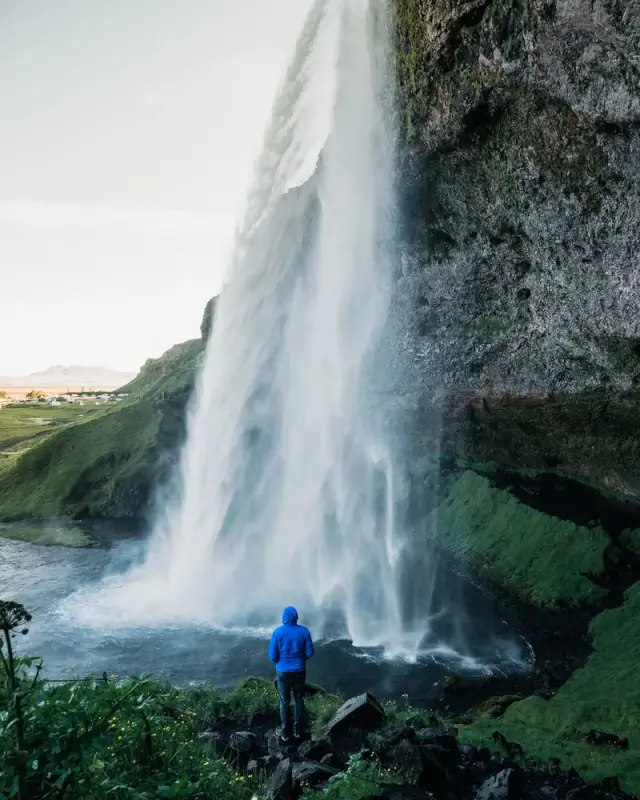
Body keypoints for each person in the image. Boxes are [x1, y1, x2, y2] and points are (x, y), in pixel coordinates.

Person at [268, 606, 314, 742]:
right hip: (299, 671)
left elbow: (272, 656)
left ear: (284, 618)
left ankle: (286, 732)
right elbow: (310, 652)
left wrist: (282, 662)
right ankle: (299, 730)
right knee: (299, 699)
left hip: (282, 672)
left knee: (284, 701)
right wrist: (300, 659)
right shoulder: (304, 631)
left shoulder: (277, 633)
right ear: (296, 617)